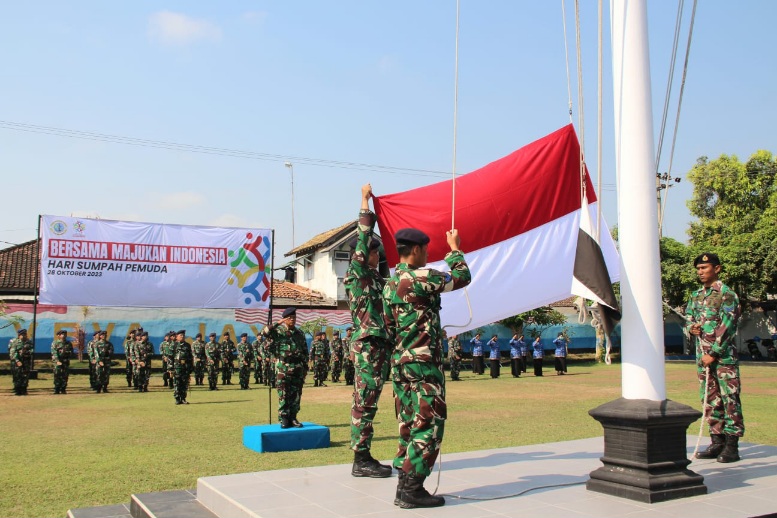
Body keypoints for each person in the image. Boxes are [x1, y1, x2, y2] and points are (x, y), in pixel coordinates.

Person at [383, 226, 471, 508]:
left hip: (401, 365)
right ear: (417, 250)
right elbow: (462, 277)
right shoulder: (422, 277)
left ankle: (403, 486)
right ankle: (412, 488)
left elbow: (387, 326)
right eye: (427, 249)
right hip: (423, 365)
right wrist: (455, 248)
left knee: (408, 423)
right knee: (429, 423)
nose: (429, 253)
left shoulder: (390, 283)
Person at [344, 183, 394, 478]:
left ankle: (364, 457)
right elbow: (363, 237)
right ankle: (361, 460)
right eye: (375, 252)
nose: (378, 255)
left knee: (370, 401)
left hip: (380, 345)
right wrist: (364, 201)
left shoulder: (377, 280)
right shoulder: (358, 273)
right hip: (368, 346)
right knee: (364, 402)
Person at [685, 252, 744, 463]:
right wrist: (691, 328)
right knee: (709, 400)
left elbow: (728, 328)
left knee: (730, 399)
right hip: (703, 359)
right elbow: (688, 319)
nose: (700, 272)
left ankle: (732, 445)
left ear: (716, 269)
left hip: (723, 359)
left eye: (705, 268)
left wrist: (714, 353)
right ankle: (716, 441)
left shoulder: (727, 295)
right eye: (699, 269)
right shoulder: (696, 296)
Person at [262, 307, 308, 428]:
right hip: (283, 367)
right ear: (285, 319)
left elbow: (304, 351)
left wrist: (305, 368)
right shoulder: (278, 332)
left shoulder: (300, 333)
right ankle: (283, 417)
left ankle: (293, 417)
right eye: (290, 318)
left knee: (296, 393)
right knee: (283, 392)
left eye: (294, 318)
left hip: (297, 367)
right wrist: (278, 323)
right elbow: (265, 333)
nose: (293, 320)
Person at [170, 330, 193, 404]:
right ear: (177, 337)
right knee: (177, 383)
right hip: (177, 367)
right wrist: (170, 369)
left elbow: (190, 357)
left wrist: (190, 368)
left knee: (184, 383)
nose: (182, 337)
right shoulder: (174, 345)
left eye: (183, 335)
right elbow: (170, 358)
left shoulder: (187, 345)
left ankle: (183, 398)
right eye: (180, 335)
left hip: (185, 367)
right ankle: (177, 398)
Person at [9, 329, 34, 396]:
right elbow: (12, 352)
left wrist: (26, 352)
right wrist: (17, 360)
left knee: (25, 375)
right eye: (21, 335)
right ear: (19, 335)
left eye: (24, 334)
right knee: (17, 375)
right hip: (17, 361)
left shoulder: (29, 342)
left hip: (26, 361)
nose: (23, 336)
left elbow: (32, 350)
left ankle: (24, 389)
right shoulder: (14, 342)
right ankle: (17, 390)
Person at [51, 330, 74, 394]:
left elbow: (71, 352)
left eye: (65, 334)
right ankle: (57, 389)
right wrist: (57, 361)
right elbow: (54, 353)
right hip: (57, 362)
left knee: (65, 375)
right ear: (58, 335)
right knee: (57, 375)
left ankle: (63, 388)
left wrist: (67, 354)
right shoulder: (55, 343)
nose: (64, 336)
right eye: (62, 334)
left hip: (65, 361)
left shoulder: (68, 343)